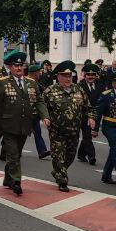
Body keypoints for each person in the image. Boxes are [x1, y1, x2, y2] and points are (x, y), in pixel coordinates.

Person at [0, 50, 49, 195]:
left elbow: (39, 101)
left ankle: (8, 178)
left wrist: (45, 116)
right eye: (15, 66)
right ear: (10, 67)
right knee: (14, 154)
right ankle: (16, 181)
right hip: (8, 125)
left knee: (15, 154)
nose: (19, 68)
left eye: (21, 65)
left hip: (25, 125)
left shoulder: (31, 83)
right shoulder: (3, 82)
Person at [41, 61, 88, 192]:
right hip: (57, 131)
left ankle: (58, 171)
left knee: (70, 156)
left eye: (69, 75)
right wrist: (44, 117)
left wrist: (91, 118)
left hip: (74, 131)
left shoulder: (78, 90)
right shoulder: (50, 91)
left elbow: (87, 107)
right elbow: (41, 106)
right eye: (64, 76)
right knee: (58, 156)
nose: (68, 78)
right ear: (58, 76)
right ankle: (62, 180)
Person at [76, 61, 102, 165]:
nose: (91, 77)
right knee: (87, 134)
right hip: (84, 115)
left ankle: (81, 154)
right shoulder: (79, 86)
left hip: (96, 115)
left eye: (93, 75)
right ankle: (92, 156)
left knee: (88, 136)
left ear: (96, 76)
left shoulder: (100, 86)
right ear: (85, 75)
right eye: (88, 75)